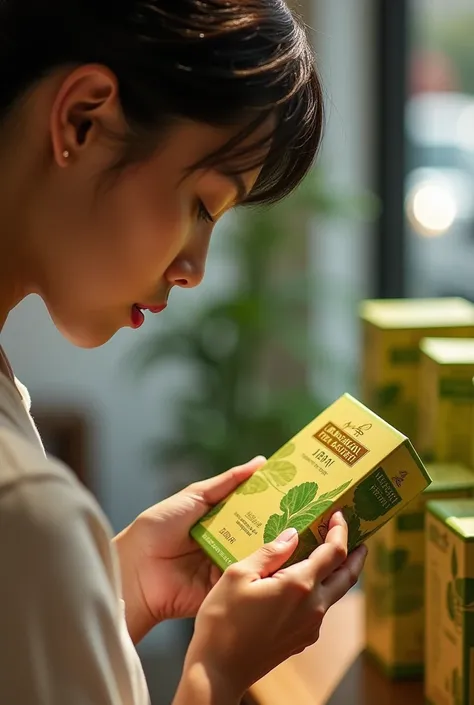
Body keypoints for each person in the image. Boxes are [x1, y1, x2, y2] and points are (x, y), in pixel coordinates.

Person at [0, 1, 368, 703]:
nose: (193, 269)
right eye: (204, 204)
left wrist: (113, 585)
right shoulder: (23, 510)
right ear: (83, 119)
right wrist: (213, 676)